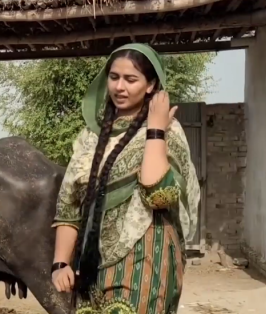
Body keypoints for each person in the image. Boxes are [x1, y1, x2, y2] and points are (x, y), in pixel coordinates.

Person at [49, 43, 201, 314]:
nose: (120, 87)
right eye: (114, 77)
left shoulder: (167, 130)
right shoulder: (91, 138)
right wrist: (60, 263)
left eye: (131, 79)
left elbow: (159, 195)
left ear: (151, 85)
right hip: (93, 265)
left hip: (145, 257)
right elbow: (69, 207)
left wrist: (155, 128)